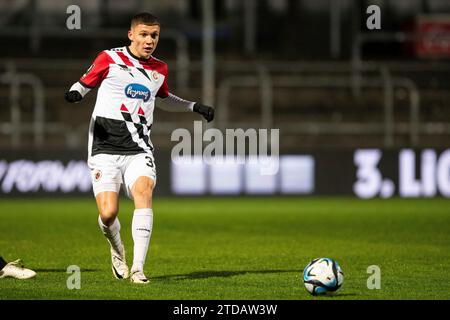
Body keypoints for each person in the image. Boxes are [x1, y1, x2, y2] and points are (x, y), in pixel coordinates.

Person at [64, 12, 214, 284]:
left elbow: (164, 98)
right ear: (131, 34)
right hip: (104, 146)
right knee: (108, 214)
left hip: (139, 148)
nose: (149, 41)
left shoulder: (159, 69)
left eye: (154, 35)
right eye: (144, 35)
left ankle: (138, 269)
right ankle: (117, 249)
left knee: (143, 193)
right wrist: (76, 92)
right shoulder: (109, 58)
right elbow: (85, 82)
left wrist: (194, 107)